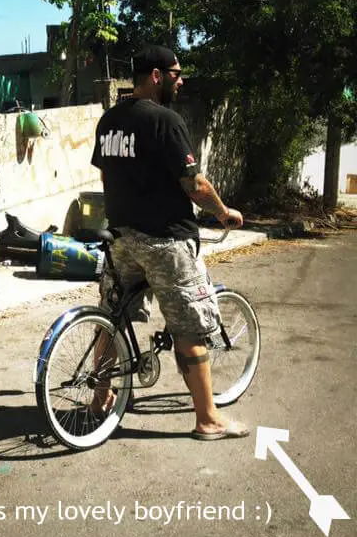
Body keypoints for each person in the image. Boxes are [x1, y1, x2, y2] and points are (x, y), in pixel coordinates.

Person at [89, 44, 249, 441]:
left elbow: (107, 178)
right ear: (156, 76)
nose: (182, 79)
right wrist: (222, 211)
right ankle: (208, 419)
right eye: (176, 73)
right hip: (166, 241)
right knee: (189, 327)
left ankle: (100, 398)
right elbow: (194, 184)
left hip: (122, 238)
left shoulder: (108, 120)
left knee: (112, 319)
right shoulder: (166, 121)